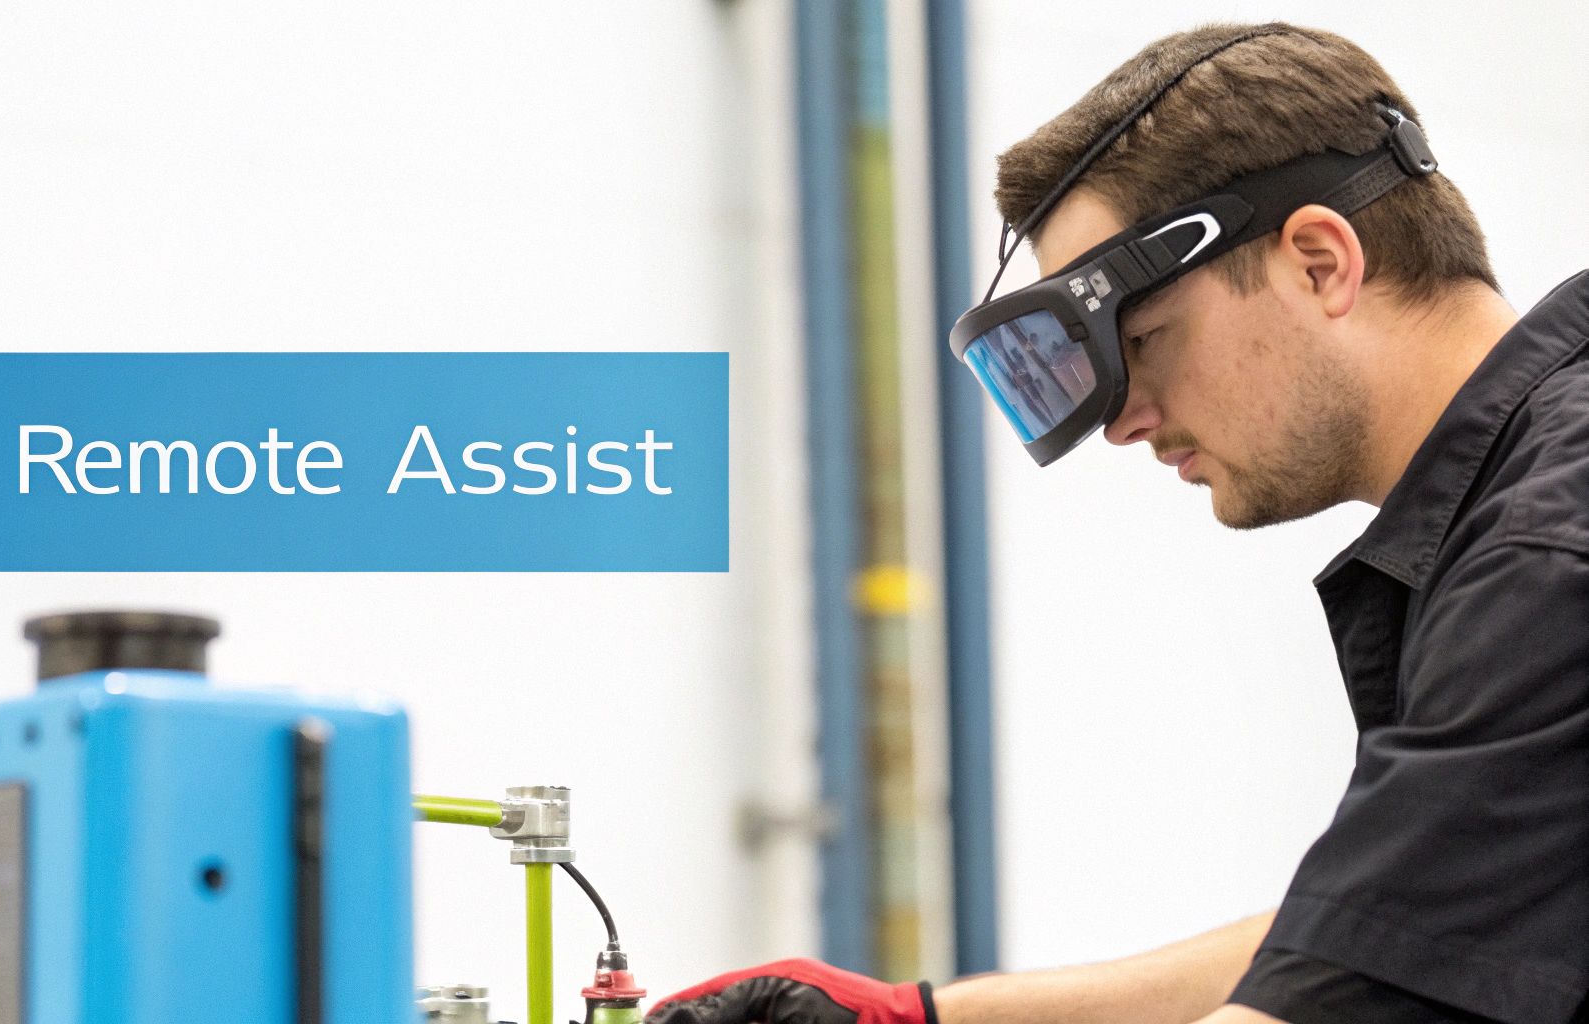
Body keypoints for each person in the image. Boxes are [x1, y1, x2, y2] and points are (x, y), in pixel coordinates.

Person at [649, 21, 1589, 1024]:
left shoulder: (1546, 558)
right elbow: (1381, 931)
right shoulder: (1520, 502)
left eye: (1138, 340)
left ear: (1319, 261)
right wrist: (919, 1016)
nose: (1121, 419)